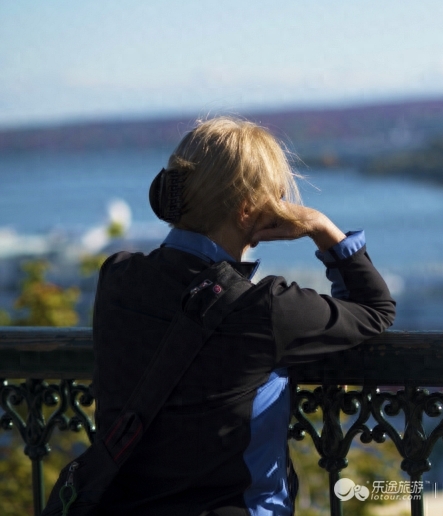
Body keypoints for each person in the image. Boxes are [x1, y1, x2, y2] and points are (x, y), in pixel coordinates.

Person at [91, 116, 396, 515]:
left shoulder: (117, 278)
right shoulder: (264, 308)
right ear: (250, 207)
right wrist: (322, 228)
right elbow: (374, 309)